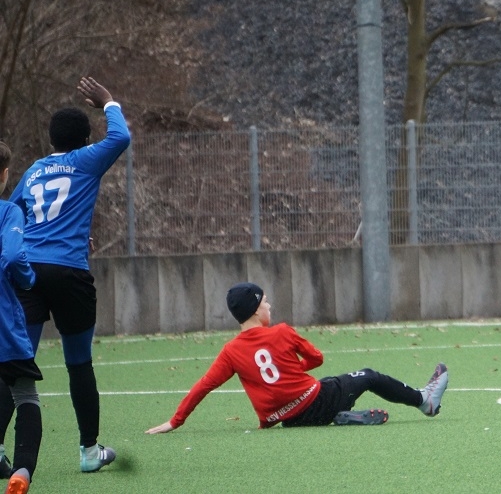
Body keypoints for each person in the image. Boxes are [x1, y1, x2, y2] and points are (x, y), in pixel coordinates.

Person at [0, 76, 130, 473]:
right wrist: (108, 101)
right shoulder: (87, 160)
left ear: (51, 139)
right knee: (79, 362)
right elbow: (120, 137)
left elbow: (14, 212)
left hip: (30, 273)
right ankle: (89, 452)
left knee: (15, 364)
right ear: (85, 140)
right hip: (70, 272)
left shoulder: (34, 171)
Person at [145, 282, 449, 434]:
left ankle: (340, 415)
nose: (269, 306)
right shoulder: (282, 332)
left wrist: (175, 421)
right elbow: (317, 358)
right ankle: (425, 401)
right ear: (255, 310)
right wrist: (297, 367)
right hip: (316, 400)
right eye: (265, 302)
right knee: (367, 375)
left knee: (328, 386)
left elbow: (204, 386)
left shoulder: (231, 351)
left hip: (288, 420)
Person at [0, 142, 43, 494]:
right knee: (25, 395)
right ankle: (22, 472)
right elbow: (14, 257)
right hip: (4, 324)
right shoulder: (8, 212)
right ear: (4, 175)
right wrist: (28, 279)